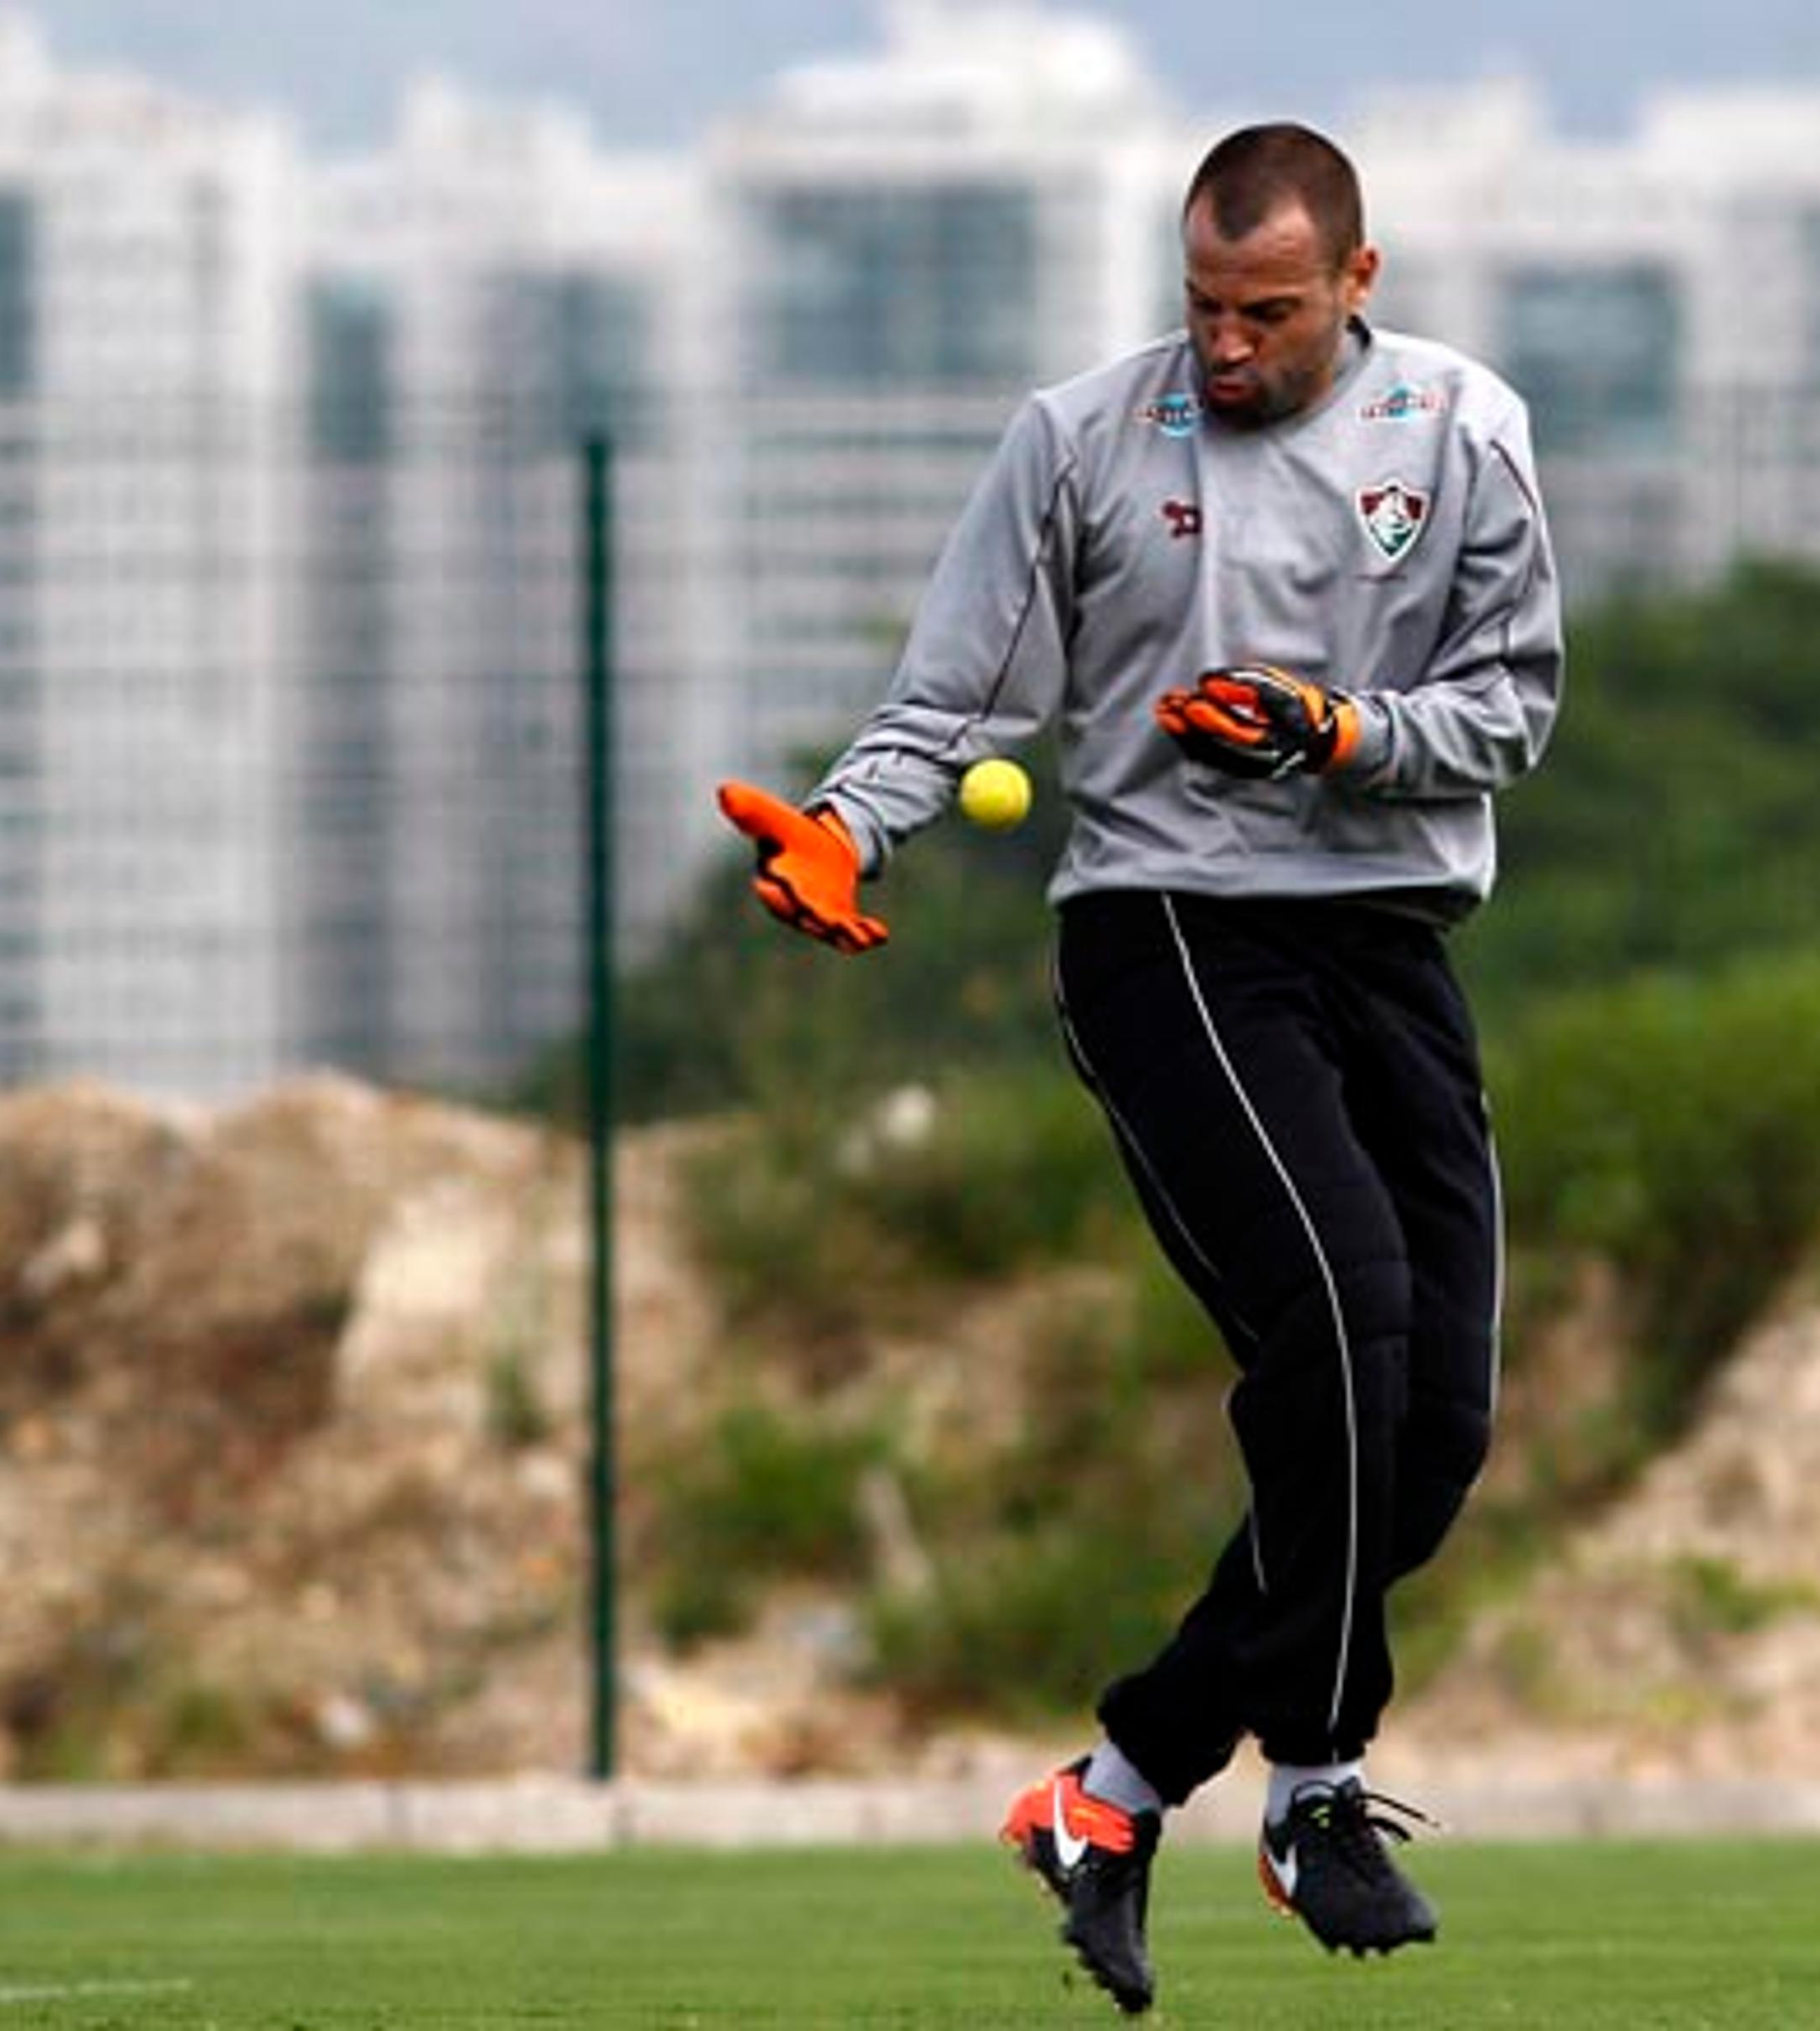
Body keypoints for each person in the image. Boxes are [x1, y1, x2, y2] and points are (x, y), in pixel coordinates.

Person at [715, 120, 1561, 2015]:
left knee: (1434, 1429)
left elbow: (1511, 706)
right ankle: (1315, 1785)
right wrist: (854, 830)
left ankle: (1111, 1792)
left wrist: (1338, 730)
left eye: (1269, 309)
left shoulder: (1463, 429)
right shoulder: (1083, 435)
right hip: (1168, 926)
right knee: (1340, 1324)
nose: (1229, 344)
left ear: (1358, 280)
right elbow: (954, 691)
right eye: (1203, 305)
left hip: (1390, 938)